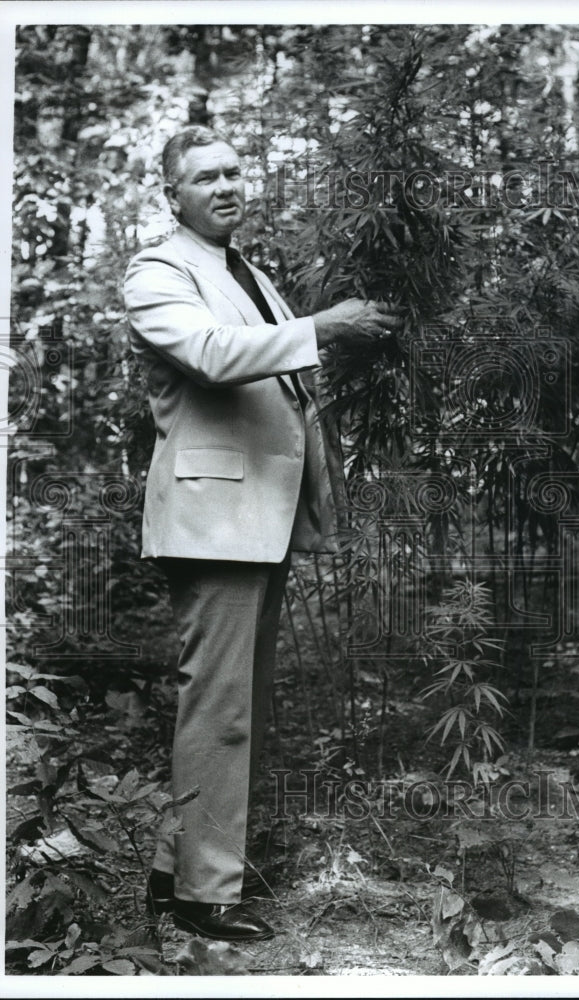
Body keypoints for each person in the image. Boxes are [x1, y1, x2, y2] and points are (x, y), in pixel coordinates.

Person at [123, 125, 400, 941]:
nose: (226, 186)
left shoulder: (248, 272)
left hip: (254, 519)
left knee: (231, 702)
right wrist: (326, 325)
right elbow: (212, 354)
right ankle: (206, 897)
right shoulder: (157, 270)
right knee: (221, 707)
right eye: (205, 177)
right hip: (212, 521)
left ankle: (175, 868)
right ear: (171, 193)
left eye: (235, 171)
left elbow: (283, 379)